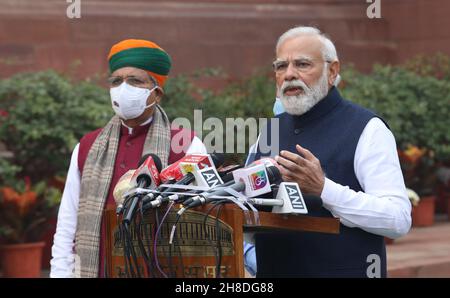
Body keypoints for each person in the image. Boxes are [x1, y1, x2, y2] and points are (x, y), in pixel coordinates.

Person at [246, 26, 411, 277]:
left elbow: (397, 220)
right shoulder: (268, 132)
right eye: (281, 66)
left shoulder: (367, 129)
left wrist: (323, 188)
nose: (289, 74)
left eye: (302, 64)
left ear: (332, 71)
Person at [50, 39, 206, 278]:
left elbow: (204, 224)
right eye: (116, 81)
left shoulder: (186, 145)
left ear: (157, 93)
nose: (123, 88)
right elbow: (67, 225)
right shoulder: (88, 147)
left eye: (134, 81)